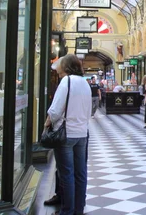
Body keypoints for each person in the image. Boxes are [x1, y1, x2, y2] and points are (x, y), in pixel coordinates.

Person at [45, 55, 91, 215]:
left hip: (66, 135)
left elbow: (55, 110)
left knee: (67, 174)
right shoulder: (85, 83)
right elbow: (89, 110)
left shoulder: (67, 81)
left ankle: (67, 211)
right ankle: (78, 209)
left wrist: (47, 121)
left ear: (66, 66)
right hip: (82, 134)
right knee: (80, 173)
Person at [44, 56, 66, 207]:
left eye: (58, 69)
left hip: (64, 132)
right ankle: (74, 203)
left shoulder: (65, 83)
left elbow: (55, 110)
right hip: (79, 132)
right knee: (73, 169)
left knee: (64, 167)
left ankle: (64, 202)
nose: (56, 71)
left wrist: (46, 124)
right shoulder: (81, 83)